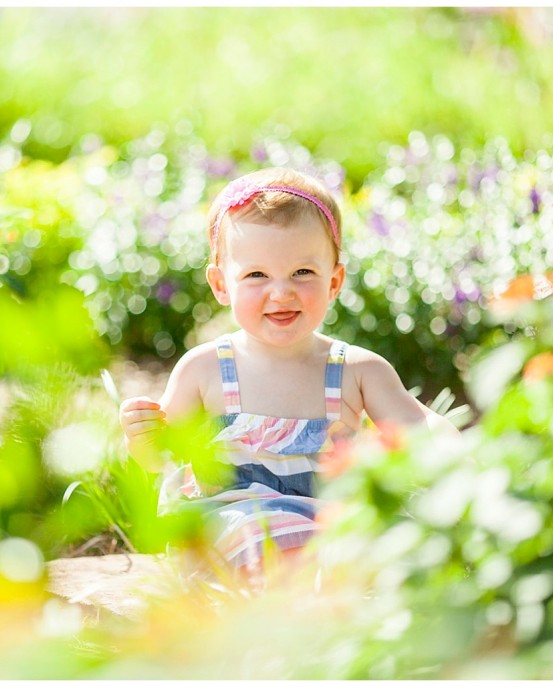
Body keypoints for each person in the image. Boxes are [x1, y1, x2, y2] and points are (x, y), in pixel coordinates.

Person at [119, 167, 458, 578]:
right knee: (267, 541)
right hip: (235, 524)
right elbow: (160, 456)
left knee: (397, 541)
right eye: (256, 275)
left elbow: (419, 426)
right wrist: (143, 436)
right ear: (221, 285)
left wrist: (451, 447)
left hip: (331, 524)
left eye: (303, 272)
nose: (281, 292)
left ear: (334, 281)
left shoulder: (356, 371)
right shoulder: (205, 370)